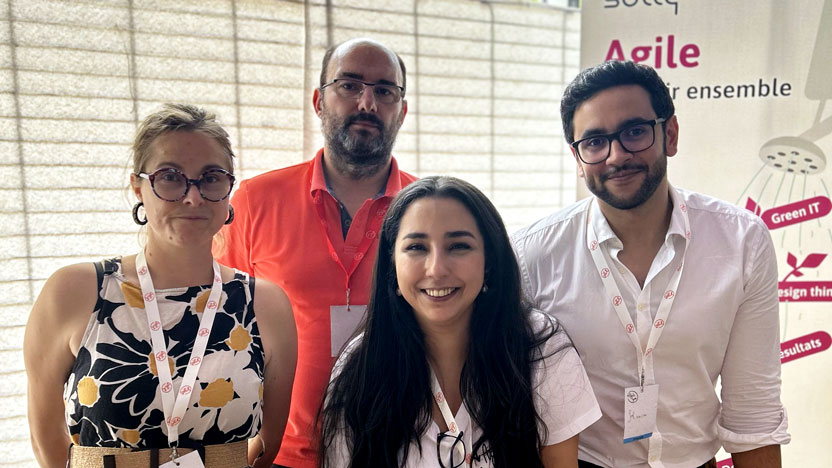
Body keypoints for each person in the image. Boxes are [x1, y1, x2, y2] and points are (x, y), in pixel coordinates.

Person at [511, 60, 790, 468]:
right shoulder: (532, 254)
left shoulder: (741, 241)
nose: (616, 155)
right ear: (576, 156)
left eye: (635, 132)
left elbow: (754, 413)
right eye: (594, 142)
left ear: (670, 134)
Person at [24, 103, 297, 468]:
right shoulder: (75, 291)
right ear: (138, 187)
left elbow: (267, 444)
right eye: (170, 176)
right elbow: (47, 441)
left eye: (211, 177)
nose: (193, 196)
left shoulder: (265, 304)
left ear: (229, 189)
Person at [216, 38, 417, 468]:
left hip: (401, 451)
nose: (367, 102)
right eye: (349, 85)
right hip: (278, 456)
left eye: (385, 90)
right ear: (318, 100)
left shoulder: (427, 210)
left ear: (402, 110)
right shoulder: (253, 202)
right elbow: (218, 330)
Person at [319, 176, 601, 468]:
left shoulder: (540, 346)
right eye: (417, 247)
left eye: (458, 246)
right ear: (393, 265)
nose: (437, 269)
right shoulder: (359, 366)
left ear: (488, 261)